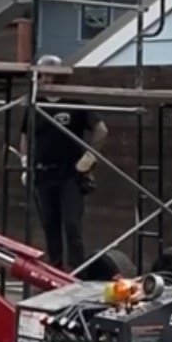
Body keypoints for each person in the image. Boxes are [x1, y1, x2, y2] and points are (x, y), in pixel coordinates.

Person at [20, 56, 108, 274]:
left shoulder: (75, 104)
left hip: (70, 174)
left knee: (72, 225)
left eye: (50, 74)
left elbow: (101, 130)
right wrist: (25, 162)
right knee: (50, 225)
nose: (46, 79)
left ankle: (78, 272)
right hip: (43, 174)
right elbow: (25, 136)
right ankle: (56, 270)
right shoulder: (34, 106)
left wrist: (89, 158)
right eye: (42, 75)